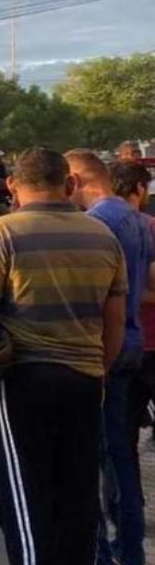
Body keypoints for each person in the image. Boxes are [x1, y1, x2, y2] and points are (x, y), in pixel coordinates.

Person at [0, 147, 125, 565]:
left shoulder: (4, 232)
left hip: (21, 383)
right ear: (68, 185)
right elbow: (114, 324)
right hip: (85, 380)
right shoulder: (103, 236)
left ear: (13, 185)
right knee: (77, 499)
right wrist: (99, 372)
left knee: (25, 504)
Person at [64, 149, 152, 565]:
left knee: (95, 460)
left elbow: (92, 297)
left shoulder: (97, 223)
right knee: (119, 453)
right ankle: (130, 551)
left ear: (77, 180)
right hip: (133, 342)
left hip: (104, 349)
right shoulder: (136, 219)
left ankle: (103, 556)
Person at [113, 161, 155, 463]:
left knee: (122, 436)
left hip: (120, 344)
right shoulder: (149, 226)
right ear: (139, 188)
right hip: (151, 340)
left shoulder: (97, 225)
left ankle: (126, 489)